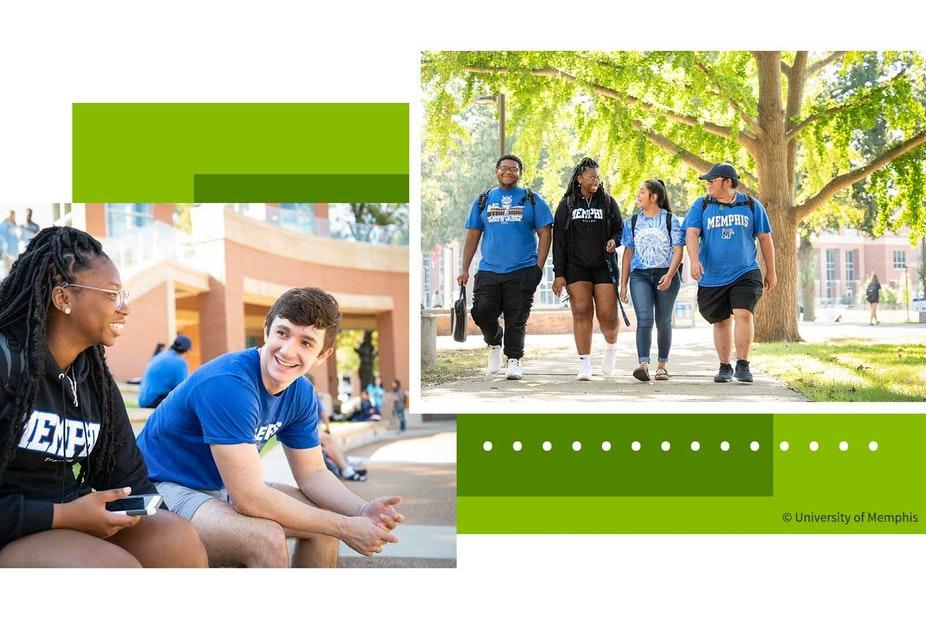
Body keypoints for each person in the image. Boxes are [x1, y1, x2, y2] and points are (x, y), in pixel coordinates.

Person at [136, 287, 402, 567]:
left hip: (218, 486)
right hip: (160, 486)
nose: (288, 351)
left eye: (306, 343)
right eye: (283, 333)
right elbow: (249, 497)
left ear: (324, 354)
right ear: (266, 330)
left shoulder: (300, 393)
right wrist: (345, 526)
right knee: (267, 538)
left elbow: (312, 473)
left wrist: (361, 509)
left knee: (321, 521)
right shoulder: (229, 384)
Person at [0, 226, 206, 567]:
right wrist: (63, 516)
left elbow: (131, 479)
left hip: (70, 515)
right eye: (112, 294)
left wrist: (153, 512)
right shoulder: (7, 363)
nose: (124, 309)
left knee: (176, 539)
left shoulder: (92, 379)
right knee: (114, 570)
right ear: (63, 298)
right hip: (15, 530)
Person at [457, 154, 554, 380]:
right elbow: (473, 235)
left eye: (513, 168)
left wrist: (538, 268)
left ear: (520, 173)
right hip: (489, 269)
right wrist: (464, 268)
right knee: (481, 311)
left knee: (517, 316)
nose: (508, 171)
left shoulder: (532, 199)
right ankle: (494, 342)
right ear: (497, 171)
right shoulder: (483, 200)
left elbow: (545, 233)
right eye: (504, 168)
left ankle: (514, 359)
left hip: (522, 268)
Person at [684, 163, 777, 383]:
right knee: (721, 320)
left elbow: (765, 238)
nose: (708, 184)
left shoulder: (751, 205)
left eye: (712, 180)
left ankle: (743, 365)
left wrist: (771, 271)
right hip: (712, 274)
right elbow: (691, 233)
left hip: (745, 270)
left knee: (743, 313)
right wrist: (694, 261)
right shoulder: (702, 204)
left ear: (727, 182)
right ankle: (724, 366)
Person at [551, 157, 623, 380]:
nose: (595, 181)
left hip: (604, 266)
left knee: (607, 315)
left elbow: (620, 230)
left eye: (598, 178)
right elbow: (559, 241)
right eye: (591, 177)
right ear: (580, 178)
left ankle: (611, 351)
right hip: (576, 267)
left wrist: (614, 240)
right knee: (581, 312)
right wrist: (559, 274)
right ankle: (585, 364)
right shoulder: (567, 205)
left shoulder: (608, 203)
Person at [619, 179, 684, 381]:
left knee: (663, 321)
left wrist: (670, 275)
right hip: (640, 276)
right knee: (644, 319)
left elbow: (678, 251)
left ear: (653, 197)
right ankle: (643, 365)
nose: (637, 196)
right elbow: (628, 254)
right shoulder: (633, 222)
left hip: (666, 274)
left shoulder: (670, 220)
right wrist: (623, 284)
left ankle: (662, 366)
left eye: (641, 192)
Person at [137, 334, 192, 408]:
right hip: (154, 400)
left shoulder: (161, 355)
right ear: (187, 350)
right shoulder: (180, 362)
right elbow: (183, 389)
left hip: (143, 400)